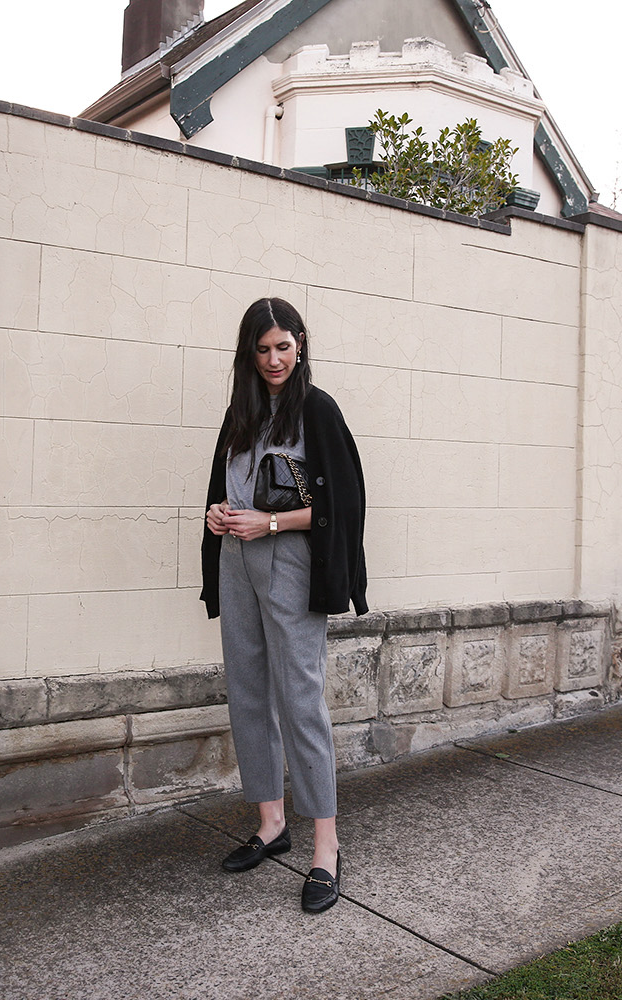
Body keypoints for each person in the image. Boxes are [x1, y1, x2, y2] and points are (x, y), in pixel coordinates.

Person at [200, 297, 368, 914]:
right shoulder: (241, 414)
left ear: (300, 343)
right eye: (263, 349)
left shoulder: (317, 411)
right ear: (250, 351)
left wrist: (268, 524)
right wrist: (218, 515)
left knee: (299, 697)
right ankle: (271, 823)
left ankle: (326, 847)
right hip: (236, 561)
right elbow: (224, 489)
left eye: (284, 347)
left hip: (291, 563)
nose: (274, 360)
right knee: (247, 689)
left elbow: (341, 507)